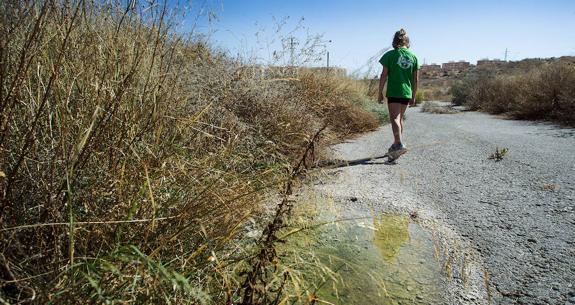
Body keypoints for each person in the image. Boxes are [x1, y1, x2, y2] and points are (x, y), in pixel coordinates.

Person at [377, 29, 420, 161]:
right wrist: (413, 96)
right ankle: (396, 145)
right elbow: (415, 80)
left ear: (395, 41)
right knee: (400, 119)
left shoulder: (389, 55)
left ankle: (399, 144)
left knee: (394, 118)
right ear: (407, 42)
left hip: (395, 91)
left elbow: (383, 75)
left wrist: (380, 92)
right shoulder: (413, 57)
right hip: (406, 92)